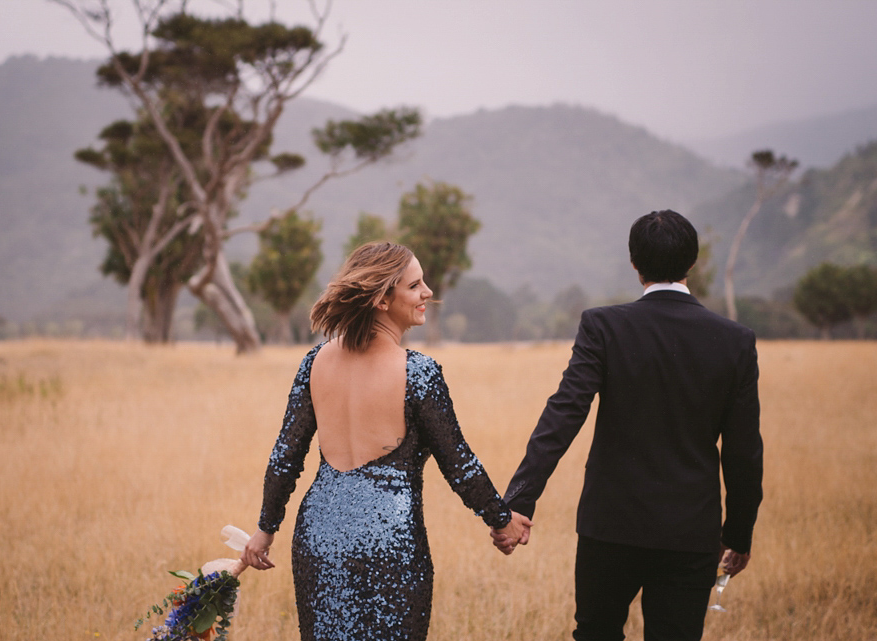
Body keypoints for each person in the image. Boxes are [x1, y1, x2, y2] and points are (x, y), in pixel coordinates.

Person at [493, 210, 763, 641]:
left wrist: (520, 500)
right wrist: (738, 533)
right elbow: (744, 449)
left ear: (634, 263)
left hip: (610, 525)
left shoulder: (605, 326)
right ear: (692, 262)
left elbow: (564, 414)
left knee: (595, 633)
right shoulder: (734, 340)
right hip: (690, 530)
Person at [242, 241, 531, 641]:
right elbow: (459, 464)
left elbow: (285, 457)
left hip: (318, 538)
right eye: (415, 286)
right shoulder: (419, 373)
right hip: (391, 545)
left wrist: (266, 528)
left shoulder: (314, 362)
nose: (428, 292)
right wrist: (501, 520)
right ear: (382, 299)